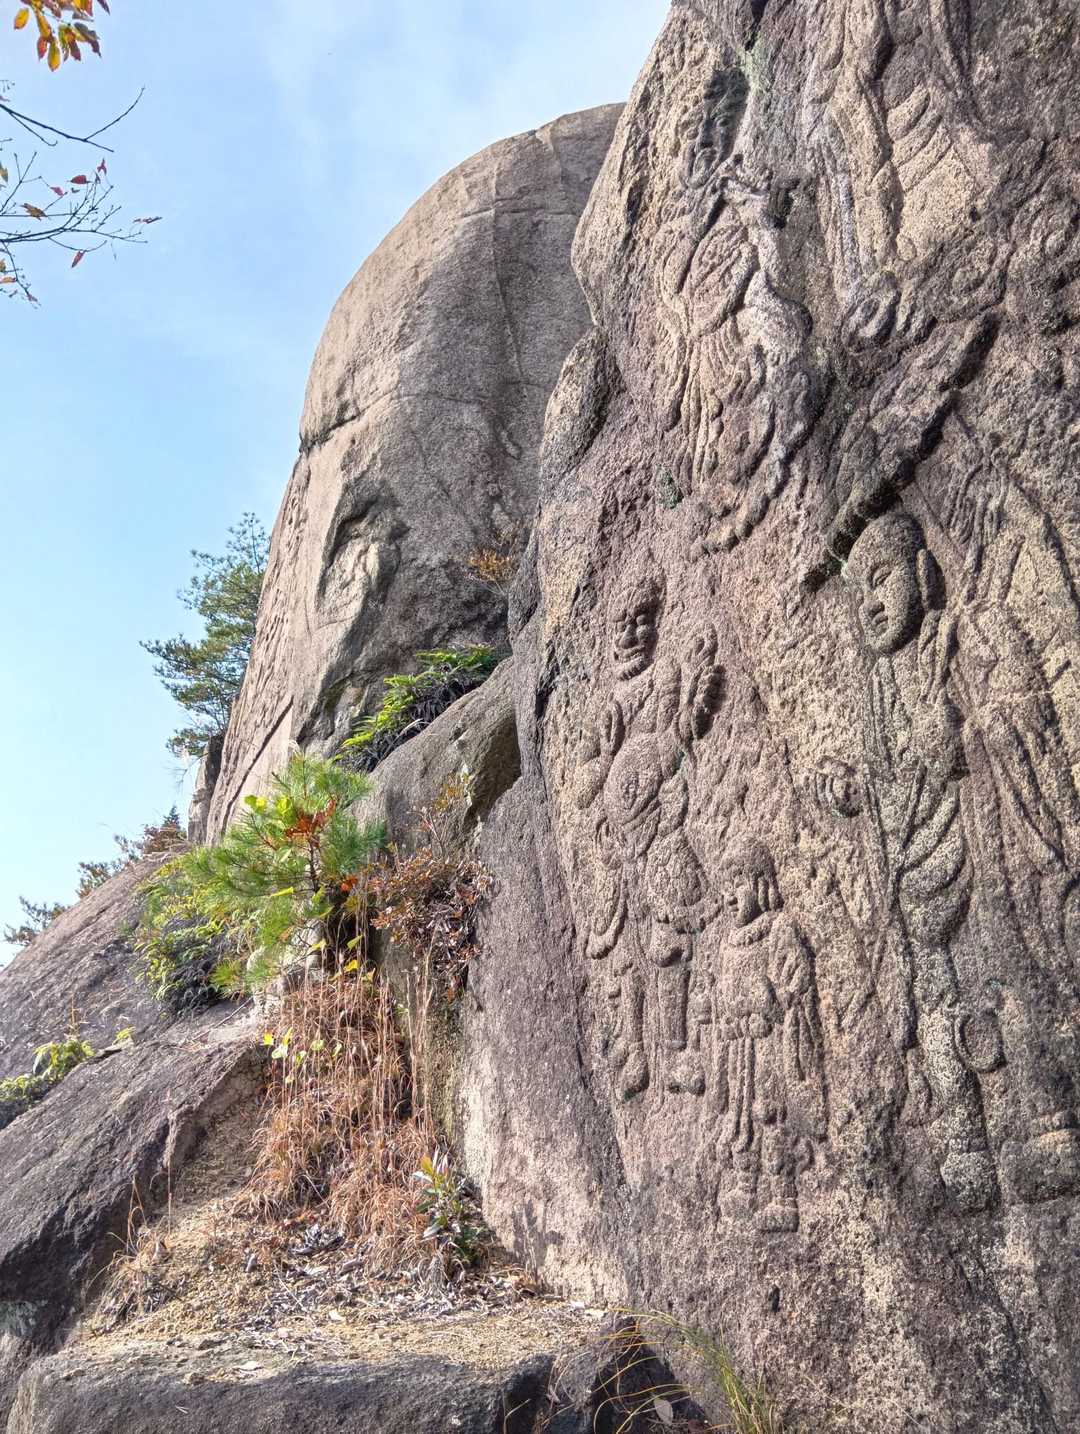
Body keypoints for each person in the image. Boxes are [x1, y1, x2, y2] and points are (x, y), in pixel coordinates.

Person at [845, 510, 1080, 1207]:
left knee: (1007, 979)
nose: (871, 603)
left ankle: (1046, 1123)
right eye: (859, 593)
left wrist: (960, 733)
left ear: (923, 576)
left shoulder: (964, 641)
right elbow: (888, 783)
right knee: (937, 1010)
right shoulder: (875, 694)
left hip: (981, 848)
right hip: (915, 873)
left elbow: (1021, 720)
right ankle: (965, 1146)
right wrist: (857, 792)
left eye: (882, 579)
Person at [701, 836, 826, 1232]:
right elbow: (721, 995)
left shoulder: (778, 929)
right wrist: (720, 1014)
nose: (729, 896)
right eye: (725, 887)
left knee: (770, 1114)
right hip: (738, 1048)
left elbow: (796, 983)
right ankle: (745, 1186)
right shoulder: (728, 942)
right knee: (739, 1119)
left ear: (760, 883)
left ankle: (784, 1198)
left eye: (738, 883)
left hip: (769, 1044)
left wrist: (780, 1000)